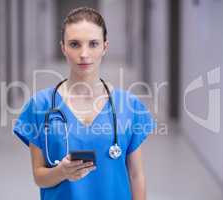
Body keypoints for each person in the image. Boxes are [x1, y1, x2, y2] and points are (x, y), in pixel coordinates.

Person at [13, 7, 156, 200]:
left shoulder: (128, 106)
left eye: (93, 44)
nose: (84, 54)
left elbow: (136, 175)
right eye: (74, 44)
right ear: (63, 47)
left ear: (105, 47)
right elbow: (39, 176)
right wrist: (62, 172)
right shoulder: (41, 105)